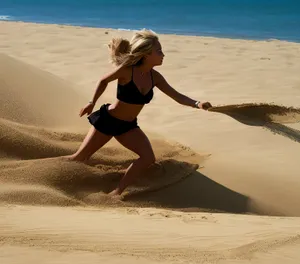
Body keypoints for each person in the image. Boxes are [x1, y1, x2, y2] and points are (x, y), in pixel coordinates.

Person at [67, 29, 212, 196]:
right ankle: (47, 174)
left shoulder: (155, 77)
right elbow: (103, 80)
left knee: (148, 158)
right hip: (108, 121)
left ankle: (117, 192)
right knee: (79, 158)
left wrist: (198, 103)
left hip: (128, 126)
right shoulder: (127, 70)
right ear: (146, 54)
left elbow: (177, 96)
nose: (163, 55)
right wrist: (91, 102)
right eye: (159, 51)